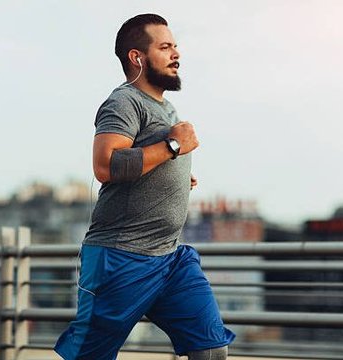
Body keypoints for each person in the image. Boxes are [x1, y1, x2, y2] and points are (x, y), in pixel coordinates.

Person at [54, 13, 235, 360]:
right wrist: (172, 148)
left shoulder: (166, 107)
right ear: (137, 57)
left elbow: (148, 160)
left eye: (175, 46)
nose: (175, 54)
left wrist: (178, 176)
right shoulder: (124, 102)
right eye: (165, 47)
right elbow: (105, 164)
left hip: (171, 258)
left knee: (211, 349)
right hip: (121, 258)